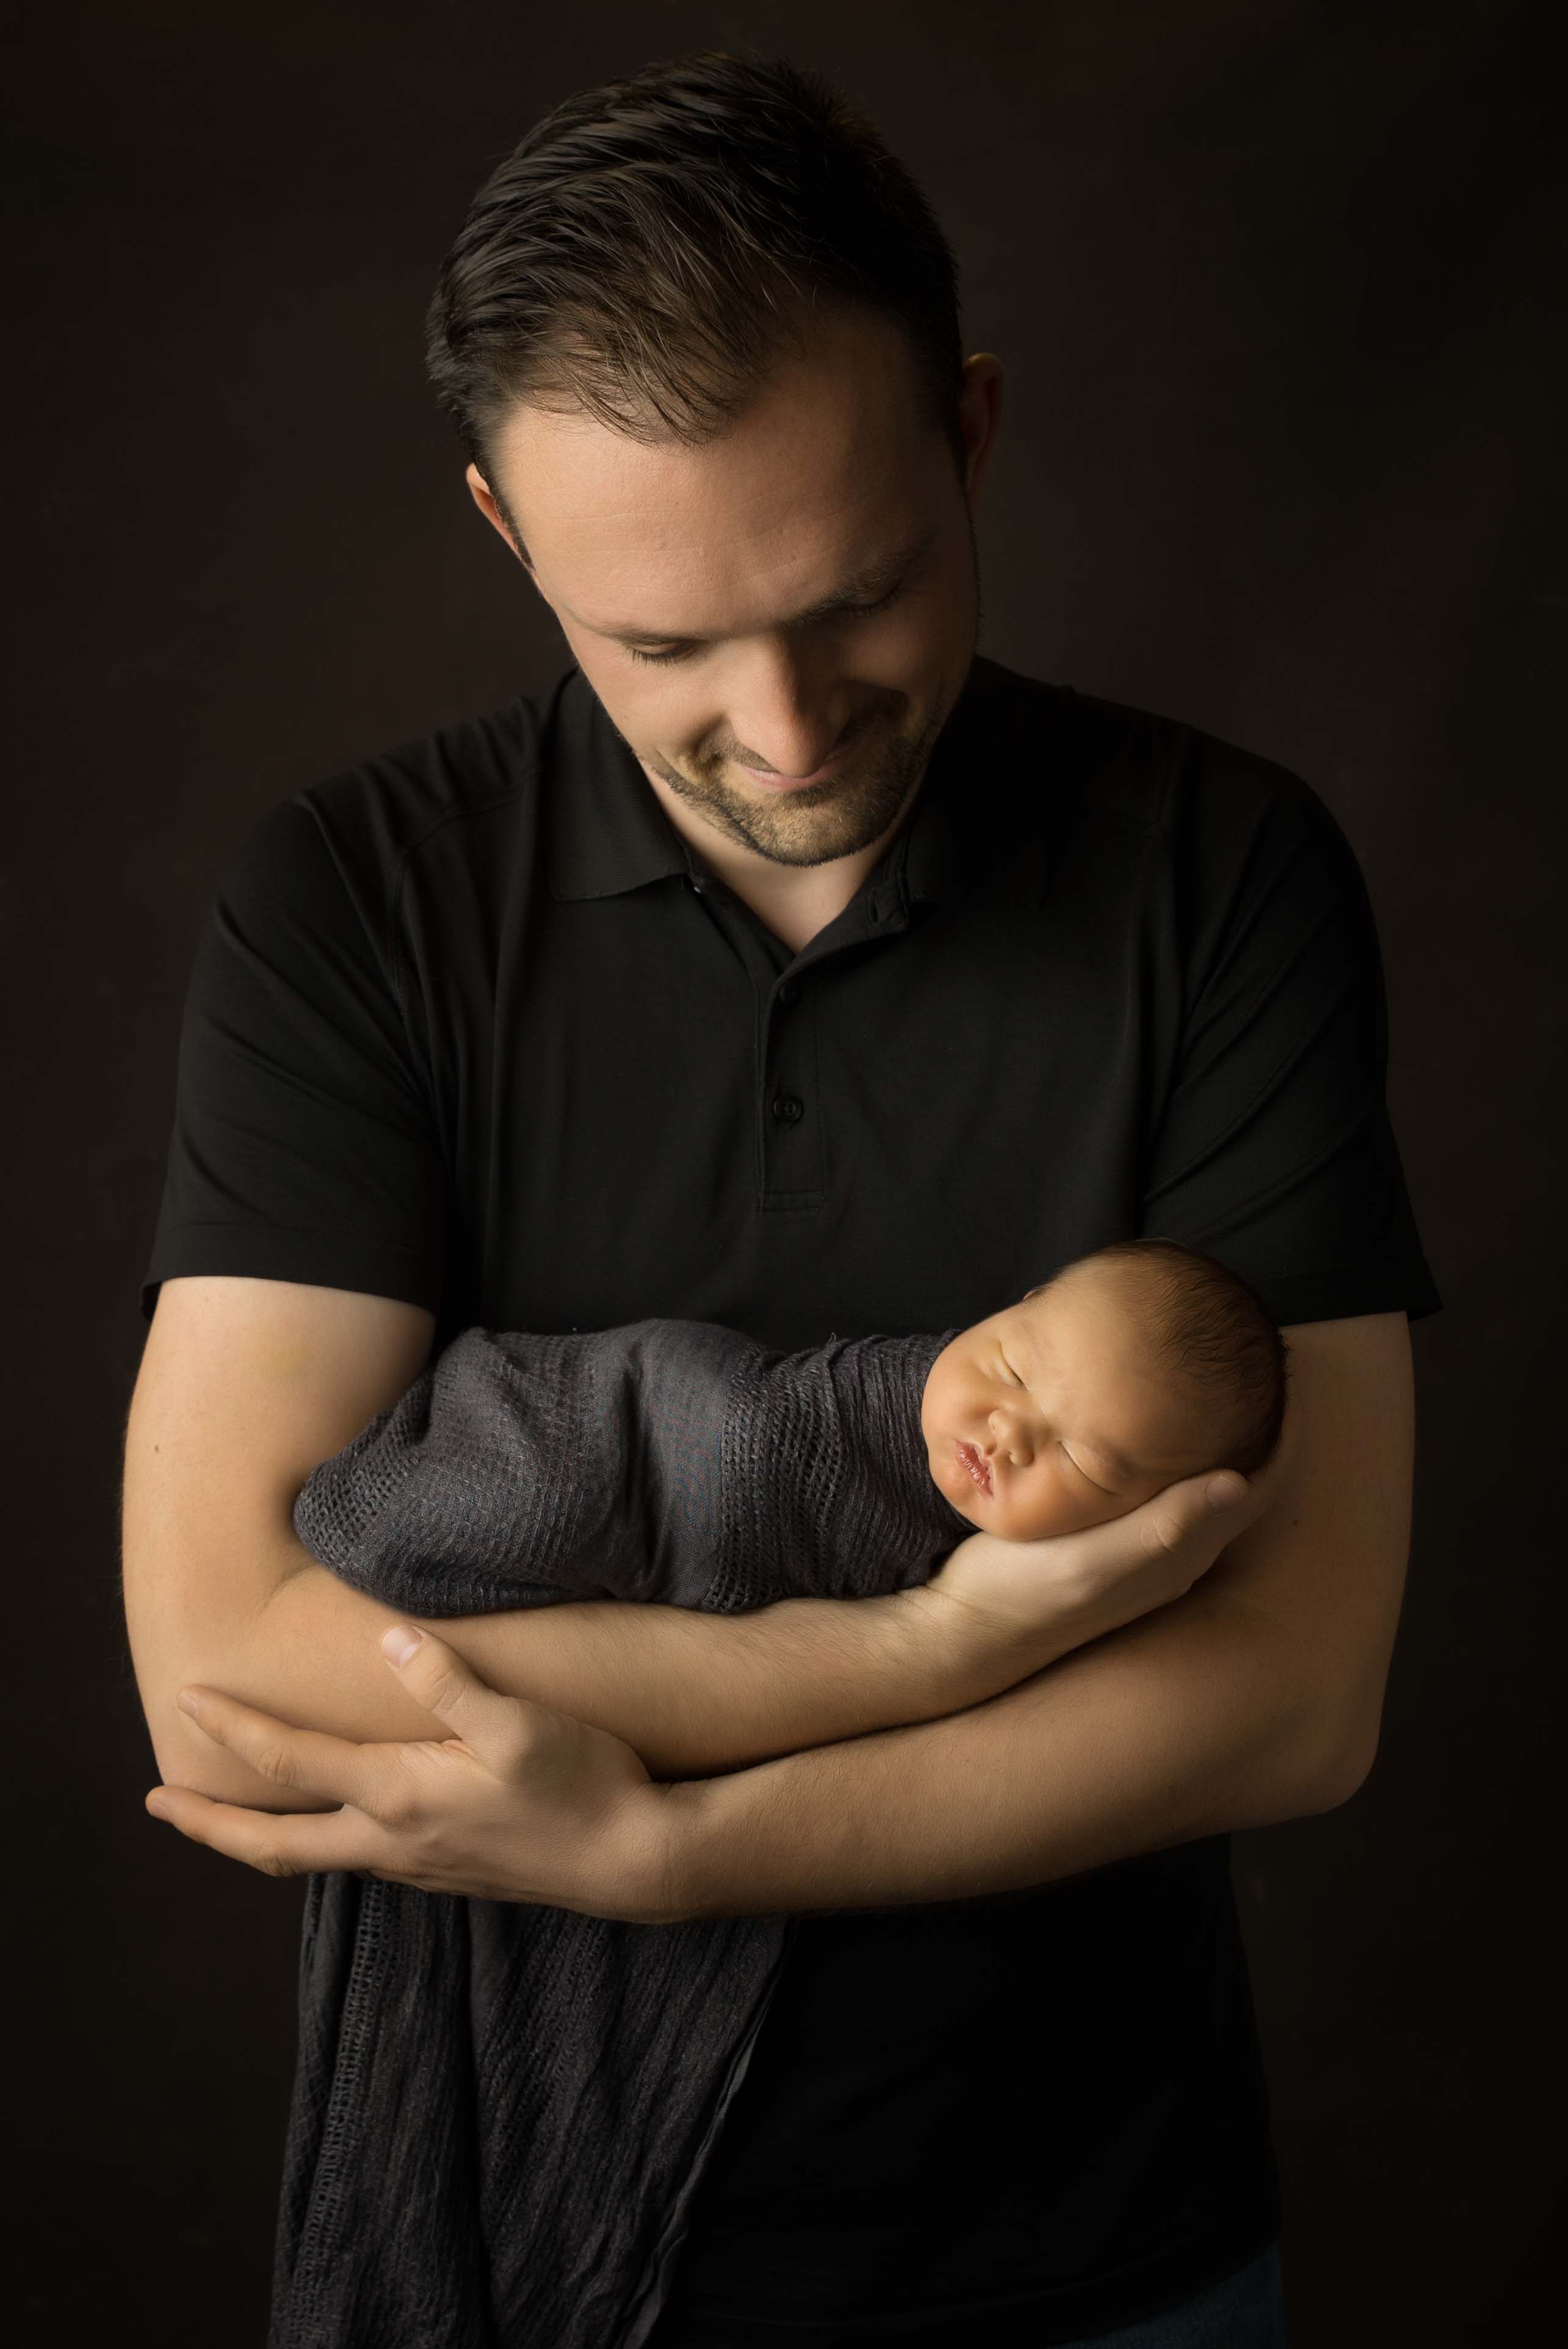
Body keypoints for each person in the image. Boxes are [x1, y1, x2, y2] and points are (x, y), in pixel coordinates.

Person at [121, 47, 1439, 2349]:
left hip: (1101, 2264)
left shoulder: (1223, 876)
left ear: (977, 434)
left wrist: (664, 1847)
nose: (795, 724)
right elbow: (231, 1669)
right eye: (663, 647)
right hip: (508, 2274)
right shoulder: (352, 902)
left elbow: (1292, 1687)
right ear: (508, 538)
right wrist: (931, 1653)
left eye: (862, 597)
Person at [291, 1237, 1291, 1623]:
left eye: (1083, 1457)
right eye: (1013, 1365)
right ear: (1007, 1308)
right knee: (549, 1489)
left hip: (686, 1542)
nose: (1010, 1431)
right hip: (679, 1413)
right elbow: (773, 1423)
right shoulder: (892, 1384)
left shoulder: (1038, 1587)